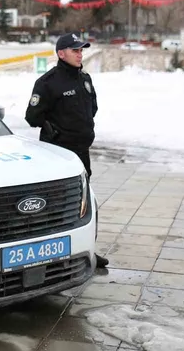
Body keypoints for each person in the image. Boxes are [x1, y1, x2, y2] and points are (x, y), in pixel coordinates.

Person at [24, 32, 108, 269]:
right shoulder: (48, 83)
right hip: (58, 154)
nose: (80, 54)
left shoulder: (84, 79)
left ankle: (85, 249)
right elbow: (32, 116)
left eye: (81, 50)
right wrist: (54, 128)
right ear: (61, 54)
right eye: (75, 50)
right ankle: (49, 254)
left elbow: (92, 108)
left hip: (81, 152)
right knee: (56, 205)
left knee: (82, 204)